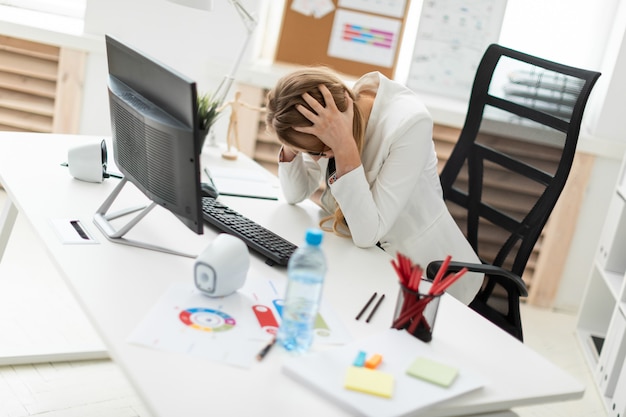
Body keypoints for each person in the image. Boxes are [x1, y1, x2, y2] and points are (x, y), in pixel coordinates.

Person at [265, 67, 482, 305]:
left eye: (320, 151)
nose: (324, 156)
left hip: (424, 277)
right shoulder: (329, 113)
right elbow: (295, 193)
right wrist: (289, 140)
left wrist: (344, 147)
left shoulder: (409, 123)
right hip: (362, 259)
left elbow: (368, 233)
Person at [217, 90, 266, 160]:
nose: (237, 96)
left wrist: (261, 109)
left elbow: (251, 107)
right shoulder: (231, 102)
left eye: (239, 95)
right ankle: (228, 148)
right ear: (235, 95)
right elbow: (222, 107)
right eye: (237, 94)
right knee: (228, 134)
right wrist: (217, 110)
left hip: (236, 119)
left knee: (236, 134)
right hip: (231, 118)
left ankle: (238, 148)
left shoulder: (240, 103)